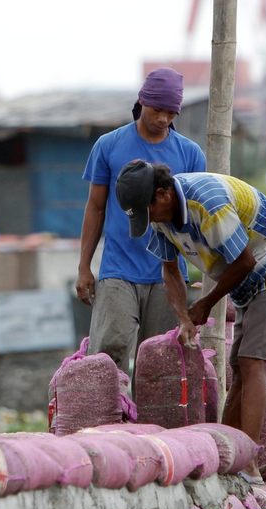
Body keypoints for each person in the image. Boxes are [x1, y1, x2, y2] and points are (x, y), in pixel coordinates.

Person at [115, 160, 266, 485]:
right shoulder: (161, 218)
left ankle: (249, 461)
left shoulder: (207, 203)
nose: (151, 222)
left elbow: (244, 260)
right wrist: (183, 318)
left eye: (149, 213)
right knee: (239, 364)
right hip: (247, 276)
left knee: (252, 361)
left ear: (162, 195)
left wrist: (206, 303)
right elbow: (171, 269)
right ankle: (231, 454)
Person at [75, 67, 206, 382]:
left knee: (161, 364)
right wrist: (83, 266)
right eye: (157, 109)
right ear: (141, 102)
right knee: (109, 350)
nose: (163, 118)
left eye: (171, 112)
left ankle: (155, 431)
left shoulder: (190, 154)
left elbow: (196, 218)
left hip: (169, 272)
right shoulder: (109, 145)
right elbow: (95, 207)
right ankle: (107, 426)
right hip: (118, 267)